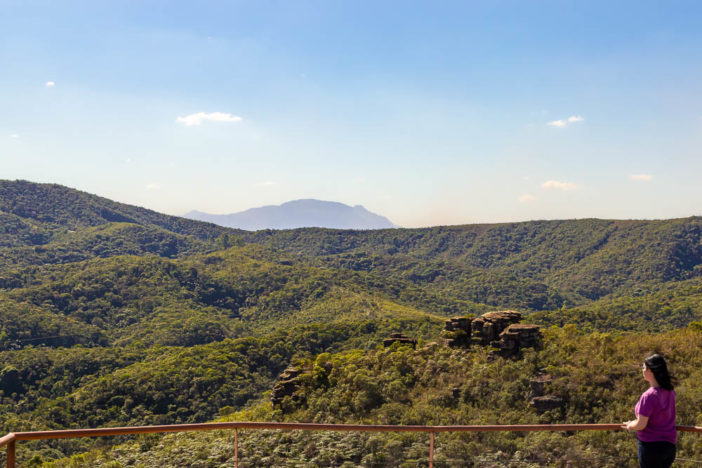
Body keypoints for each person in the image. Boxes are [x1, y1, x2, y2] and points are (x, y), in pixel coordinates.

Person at [623, 353, 676, 468]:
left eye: (643, 367)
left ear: (650, 371)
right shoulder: (670, 392)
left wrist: (630, 425)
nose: (642, 370)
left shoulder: (649, 396)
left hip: (651, 447)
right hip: (669, 447)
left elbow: (641, 424)